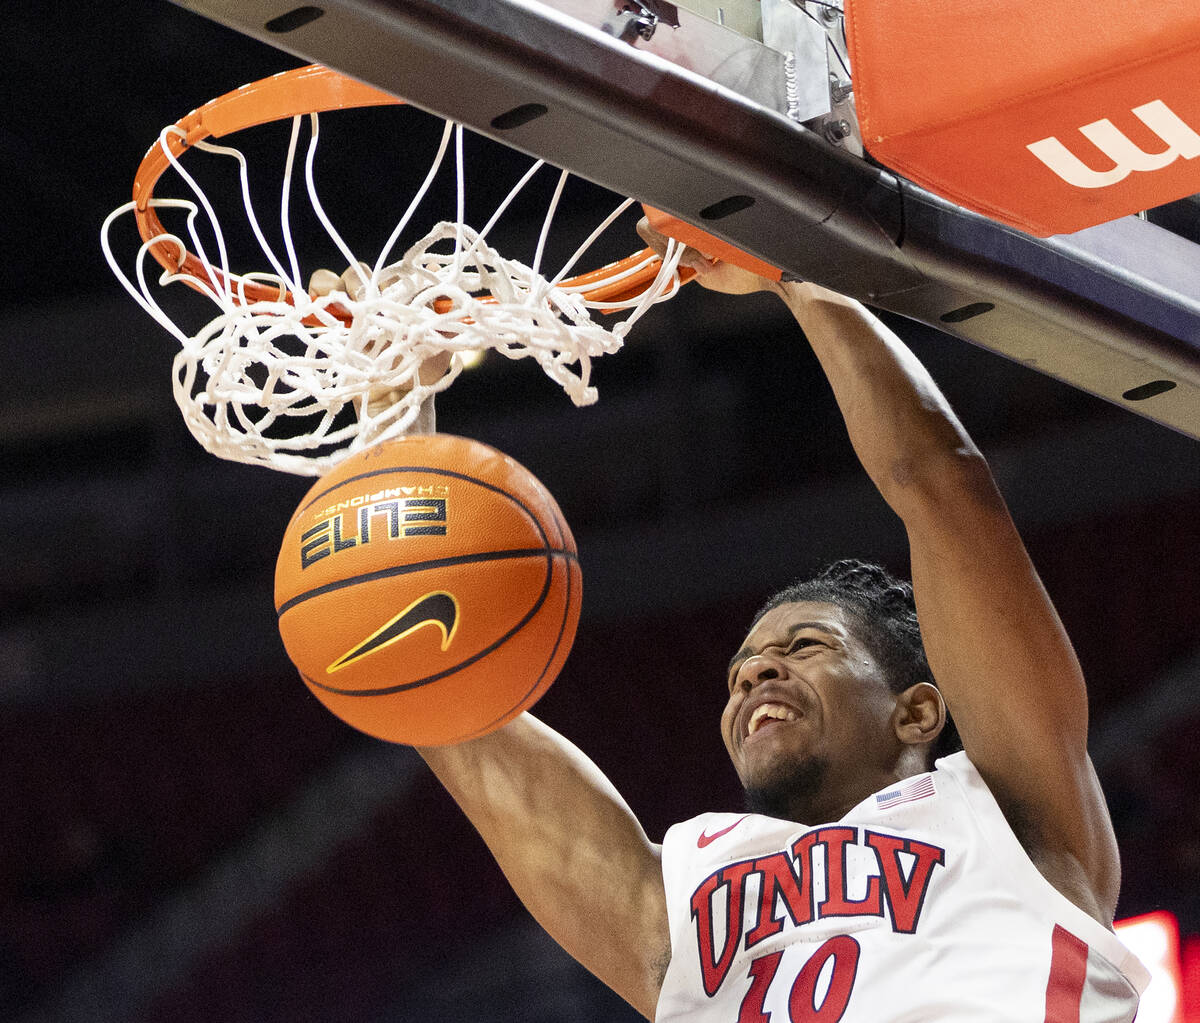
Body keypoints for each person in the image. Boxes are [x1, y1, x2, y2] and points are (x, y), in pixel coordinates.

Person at [414, 224, 1150, 1022]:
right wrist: (394, 419)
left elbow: (942, 484)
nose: (756, 673)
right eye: (740, 672)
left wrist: (796, 266)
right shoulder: (687, 900)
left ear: (917, 709)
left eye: (805, 646)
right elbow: (437, 693)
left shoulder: (1010, 813)